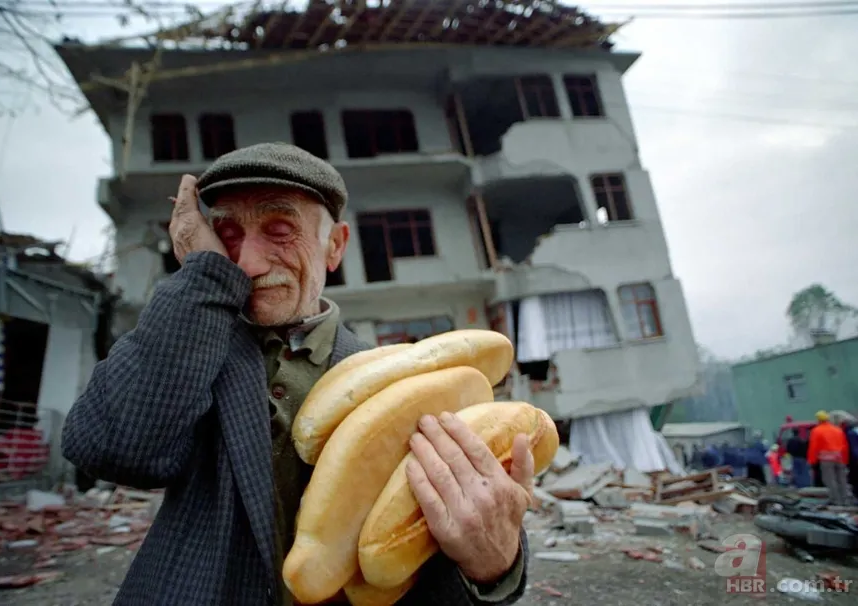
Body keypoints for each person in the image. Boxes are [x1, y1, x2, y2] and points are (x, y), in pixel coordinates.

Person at [61, 143, 532, 606]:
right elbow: (110, 449)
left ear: (335, 246)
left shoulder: (403, 383)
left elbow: (429, 538)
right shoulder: (188, 348)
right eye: (226, 235)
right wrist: (204, 277)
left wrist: (495, 566)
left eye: (280, 229)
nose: (247, 263)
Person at [807, 410, 851, 506]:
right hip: (839, 458)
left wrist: (812, 460)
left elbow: (814, 447)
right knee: (842, 479)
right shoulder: (837, 430)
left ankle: (836, 500)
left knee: (830, 480)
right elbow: (844, 445)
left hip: (826, 459)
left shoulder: (816, 431)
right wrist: (845, 459)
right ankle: (845, 499)